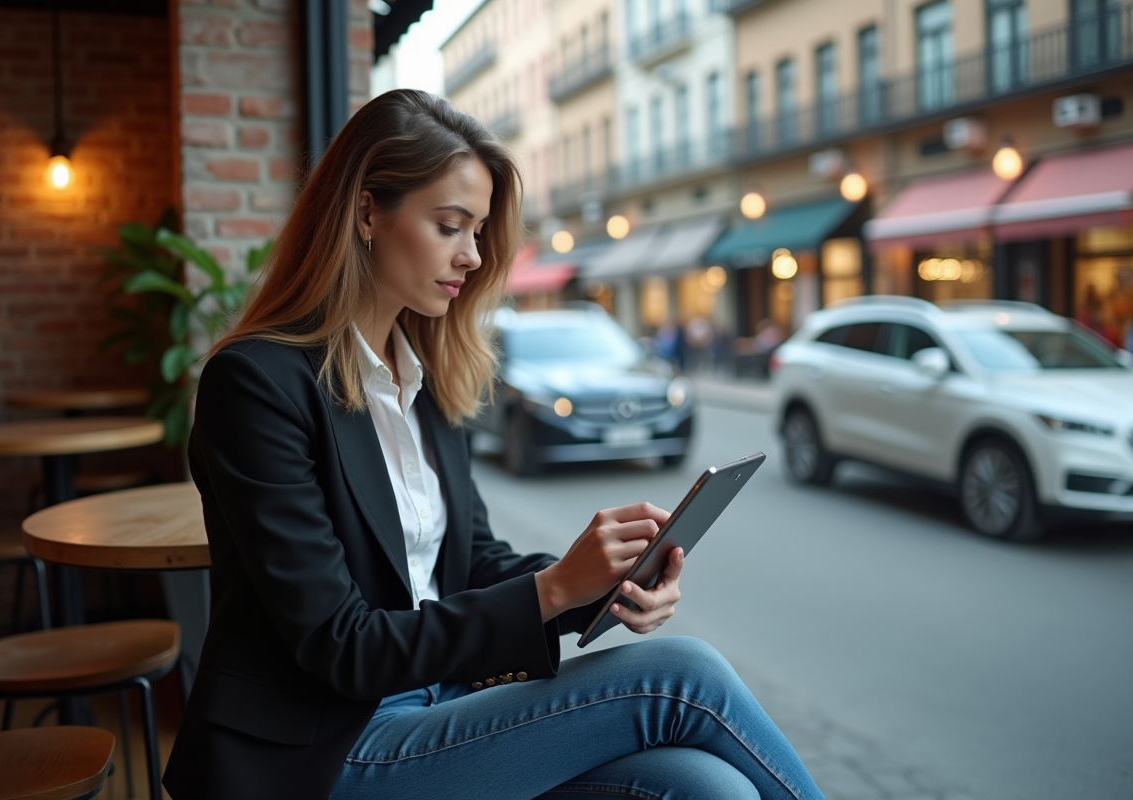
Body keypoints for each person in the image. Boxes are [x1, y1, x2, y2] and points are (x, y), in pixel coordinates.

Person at [161, 89, 824, 800]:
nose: (473, 256)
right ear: (365, 214)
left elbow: (470, 563)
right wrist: (551, 589)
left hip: (437, 708)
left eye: (478, 231)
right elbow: (341, 646)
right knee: (684, 676)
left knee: (708, 788)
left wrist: (593, 587)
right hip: (322, 750)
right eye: (451, 226)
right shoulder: (258, 384)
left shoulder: (424, 376)